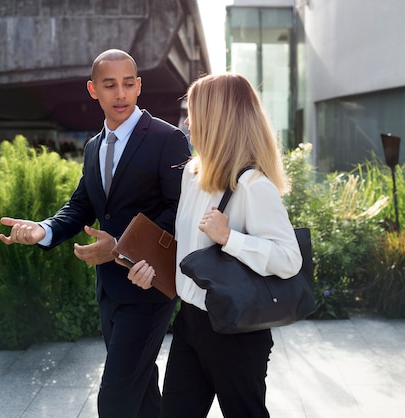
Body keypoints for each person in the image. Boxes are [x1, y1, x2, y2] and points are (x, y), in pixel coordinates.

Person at [0, 49, 191, 418]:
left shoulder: (168, 139)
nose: (120, 94)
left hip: (148, 288)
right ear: (93, 90)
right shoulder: (94, 146)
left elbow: (178, 211)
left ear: (139, 87)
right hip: (109, 291)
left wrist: (120, 248)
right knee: (143, 392)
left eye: (128, 84)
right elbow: (81, 205)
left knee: (114, 400)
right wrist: (42, 230)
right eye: (110, 85)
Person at [127, 73, 302, 418]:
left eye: (194, 112)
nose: (187, 122)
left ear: (218, 119)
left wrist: (229, 238)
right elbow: (188, 251)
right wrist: (153, 272)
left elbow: (289, 259)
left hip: (237, 332)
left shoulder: (252, 184)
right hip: (191, 322)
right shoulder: (193, 174)